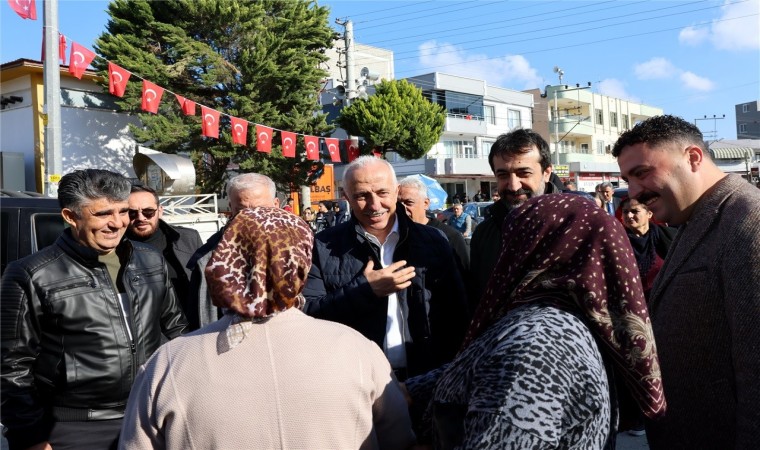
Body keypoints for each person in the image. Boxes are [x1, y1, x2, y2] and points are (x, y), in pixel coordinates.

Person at [119, 207, 416, 450]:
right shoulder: (357, 349)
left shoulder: (169, 362)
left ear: (225, 259)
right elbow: (398, 439)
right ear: (301, 264)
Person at [406, 194, 666, 449]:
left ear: (533, 248)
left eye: (513, 241)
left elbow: (519, 376)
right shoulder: (561, 316)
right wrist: (403, 390)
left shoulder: (537, 343)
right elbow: (485, 366)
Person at [0, 169, 187, 450]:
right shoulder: (30, 274)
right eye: (102, 214)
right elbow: (11, 366)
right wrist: (31, 437)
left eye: (122, 211)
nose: (117, 223)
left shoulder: (150, 260)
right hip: (73, 428)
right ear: (70, 217)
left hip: (150, 414)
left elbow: (177, 331)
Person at [613, 114, 760, 449]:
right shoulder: (697, 216)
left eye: (642, 173)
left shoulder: (748, 222)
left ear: (693, 158)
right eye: (627, 179)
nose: (635, 193)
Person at [303, 156, 469, 380]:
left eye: (382, 193)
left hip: (426, 379)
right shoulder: (322, 246)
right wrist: (365, 290)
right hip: (355, 381)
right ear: (346, 198)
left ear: (396, 191)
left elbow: (457, 315)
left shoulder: (432, 241)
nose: (374, 205)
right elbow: (308, 317)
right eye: (362, 196)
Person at [469, 128, 562, 307]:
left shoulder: (576, 225)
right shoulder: (484, 234)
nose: (513, 186)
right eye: (503, 175)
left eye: (523, 173)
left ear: (546, 172)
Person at [186, 172, 279, 330]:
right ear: (231, 208)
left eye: (260, 210)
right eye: (242, 211)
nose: (251, 219)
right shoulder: (208, 260)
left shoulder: (301, 247)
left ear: (276, 205)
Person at [127, 184, 203, 306]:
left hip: (194, 322)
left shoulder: (189, 238)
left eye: (148, 212)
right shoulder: (116, 247)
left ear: (160, 211)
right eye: (132, 213)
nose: (141, 218)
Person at [398, 176, 469, 274]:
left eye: (408, 203)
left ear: (426, 203)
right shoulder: (393, 236)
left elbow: (466, 276)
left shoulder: (450, 236)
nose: (402, 208)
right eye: (398, 204)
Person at [620, 197, 676, 301]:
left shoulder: (669, 236)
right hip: (632, 304)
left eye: (634, 211)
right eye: (625, 212)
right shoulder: (618, 241)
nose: (629, 215)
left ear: (649, 214)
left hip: (666, 300)